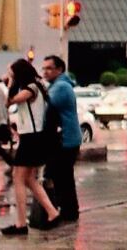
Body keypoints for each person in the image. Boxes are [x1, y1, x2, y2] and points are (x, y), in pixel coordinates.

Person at [3, 58, 61, 235]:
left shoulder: (31, 89)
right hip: (33, 137)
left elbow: (10, 101)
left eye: (11, 72)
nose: (8, 75)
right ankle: (52, 212)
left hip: (32, 138)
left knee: (18, 178)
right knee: (29, 179)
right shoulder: (37, 86)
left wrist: (11, 83)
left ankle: (21, 224)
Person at [41, 55, 82, 221]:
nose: (45, 71)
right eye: (44, 68)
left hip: (65, 139)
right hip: (67, 138)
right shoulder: (57, 85)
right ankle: (68, 210)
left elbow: (45, 106)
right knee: (62, 176)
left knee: (61, 176)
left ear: (59, 69)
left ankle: (68, 211)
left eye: (49, 68)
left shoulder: (61, 87)